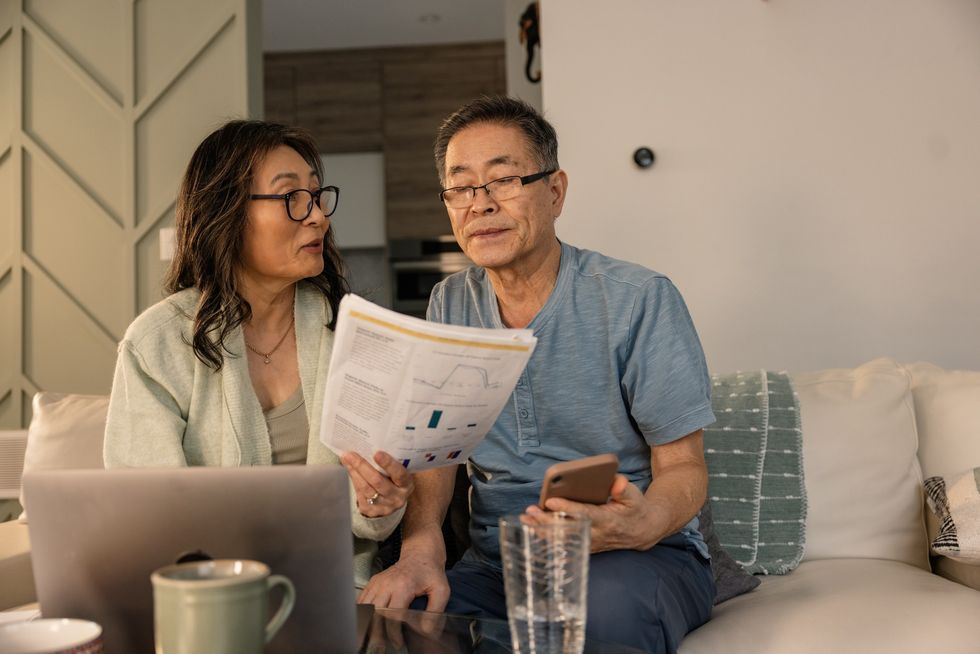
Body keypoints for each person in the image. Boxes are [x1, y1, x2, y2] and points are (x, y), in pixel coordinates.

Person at [360, 96, 716, 653]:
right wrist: (421, 553)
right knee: (390, 626)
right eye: (461, 188)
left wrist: (645, 524)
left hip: (632, 558)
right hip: (499, 565)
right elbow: (440, 454)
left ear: (555, 192)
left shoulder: (638, 299)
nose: (480, 204)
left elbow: (685, 466)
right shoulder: (450, 302)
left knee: (600, 615)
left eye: (503, 180)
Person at [103, 120, 413, 588]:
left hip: (337, 593)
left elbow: (366, 516)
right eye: (292, 198)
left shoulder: (355, 333)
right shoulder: (157, 344)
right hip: (206, 596)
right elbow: (147, 515)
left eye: (316, 194)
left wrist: (380, 502)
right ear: (226, 212)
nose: (317, 217)